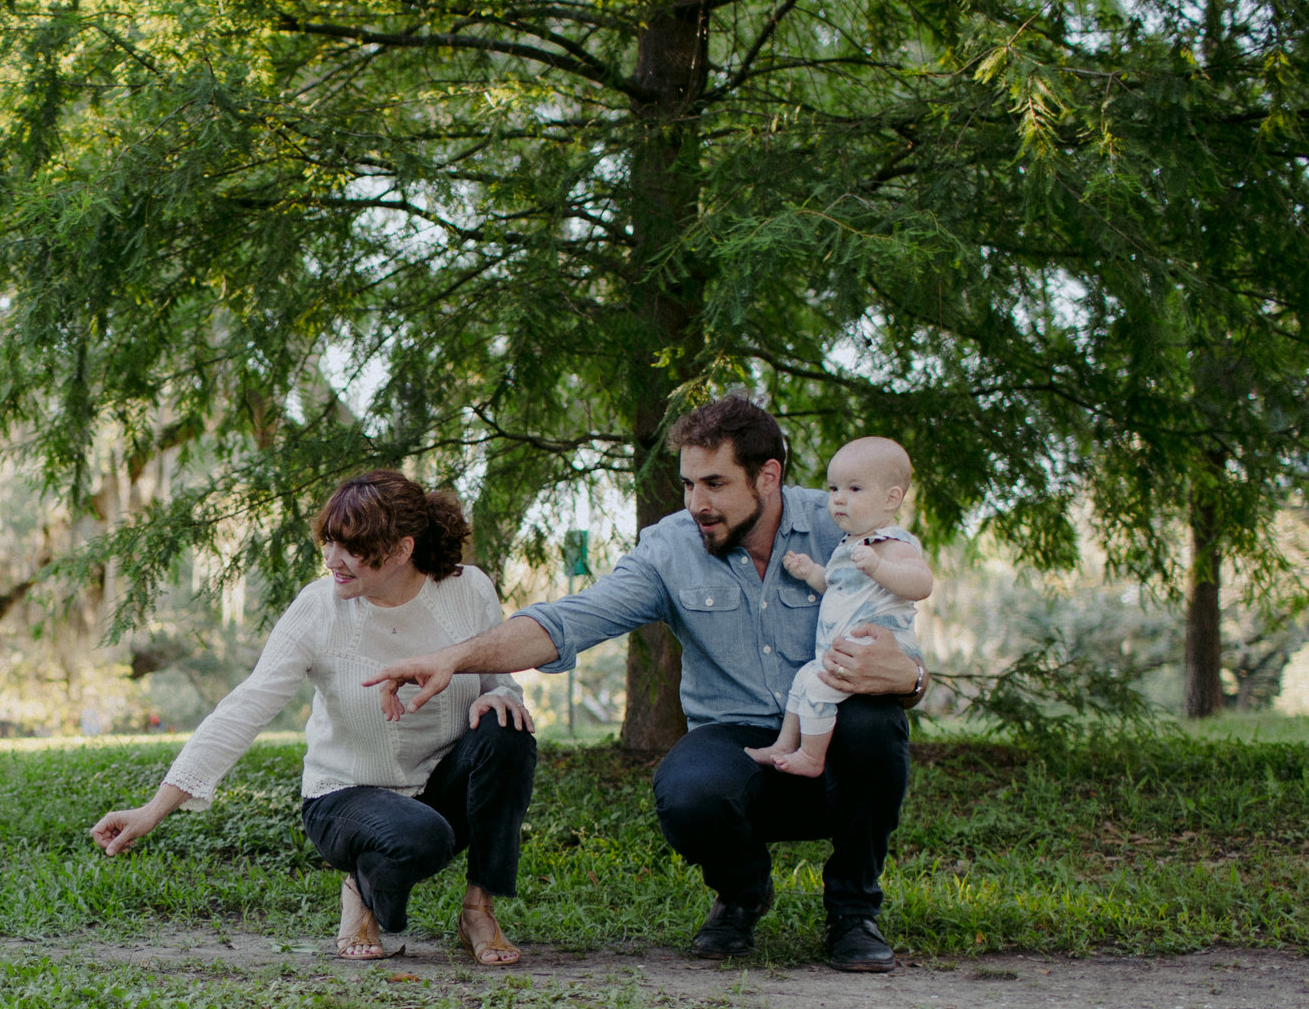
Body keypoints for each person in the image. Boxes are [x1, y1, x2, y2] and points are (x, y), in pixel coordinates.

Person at [361, 393, 927, 972]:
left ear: (767, 476)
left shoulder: (842, 524)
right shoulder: (670, 546)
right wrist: (455, 658)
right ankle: (743, 894)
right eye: (687, 485)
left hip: (833, 740)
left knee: (876, 723)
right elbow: (571, 620)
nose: (696, 504)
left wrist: (912, 678)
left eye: (714, 484)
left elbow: (899, 618)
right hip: (737, 741)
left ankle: (853, 911)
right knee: (688, 794)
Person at [90, 469, 539, 963]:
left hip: (441, 784)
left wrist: (498, 696)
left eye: (350, 548)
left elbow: (502, 677)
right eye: (328, 542)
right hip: (344, 796)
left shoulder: (467, 589)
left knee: (507, 728)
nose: (331, 560)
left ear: (401, 550)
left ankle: (479, 908)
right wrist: (154, 809)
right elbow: (245, 707)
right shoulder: (318, 608)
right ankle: (360, 887)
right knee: (421, 836)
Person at [749, 436, 932, 777]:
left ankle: (812, 758)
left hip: (875, 642)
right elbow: (836, 587)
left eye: (855, 489)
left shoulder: (892, 543)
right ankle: (784, 745)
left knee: (818, 684)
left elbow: (922, 584)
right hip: (840, 647)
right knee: (803, 679)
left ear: (891, 497)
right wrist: (810, 573)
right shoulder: (849, 545)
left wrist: (880, 568)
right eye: (834, 489)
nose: (838, 499)